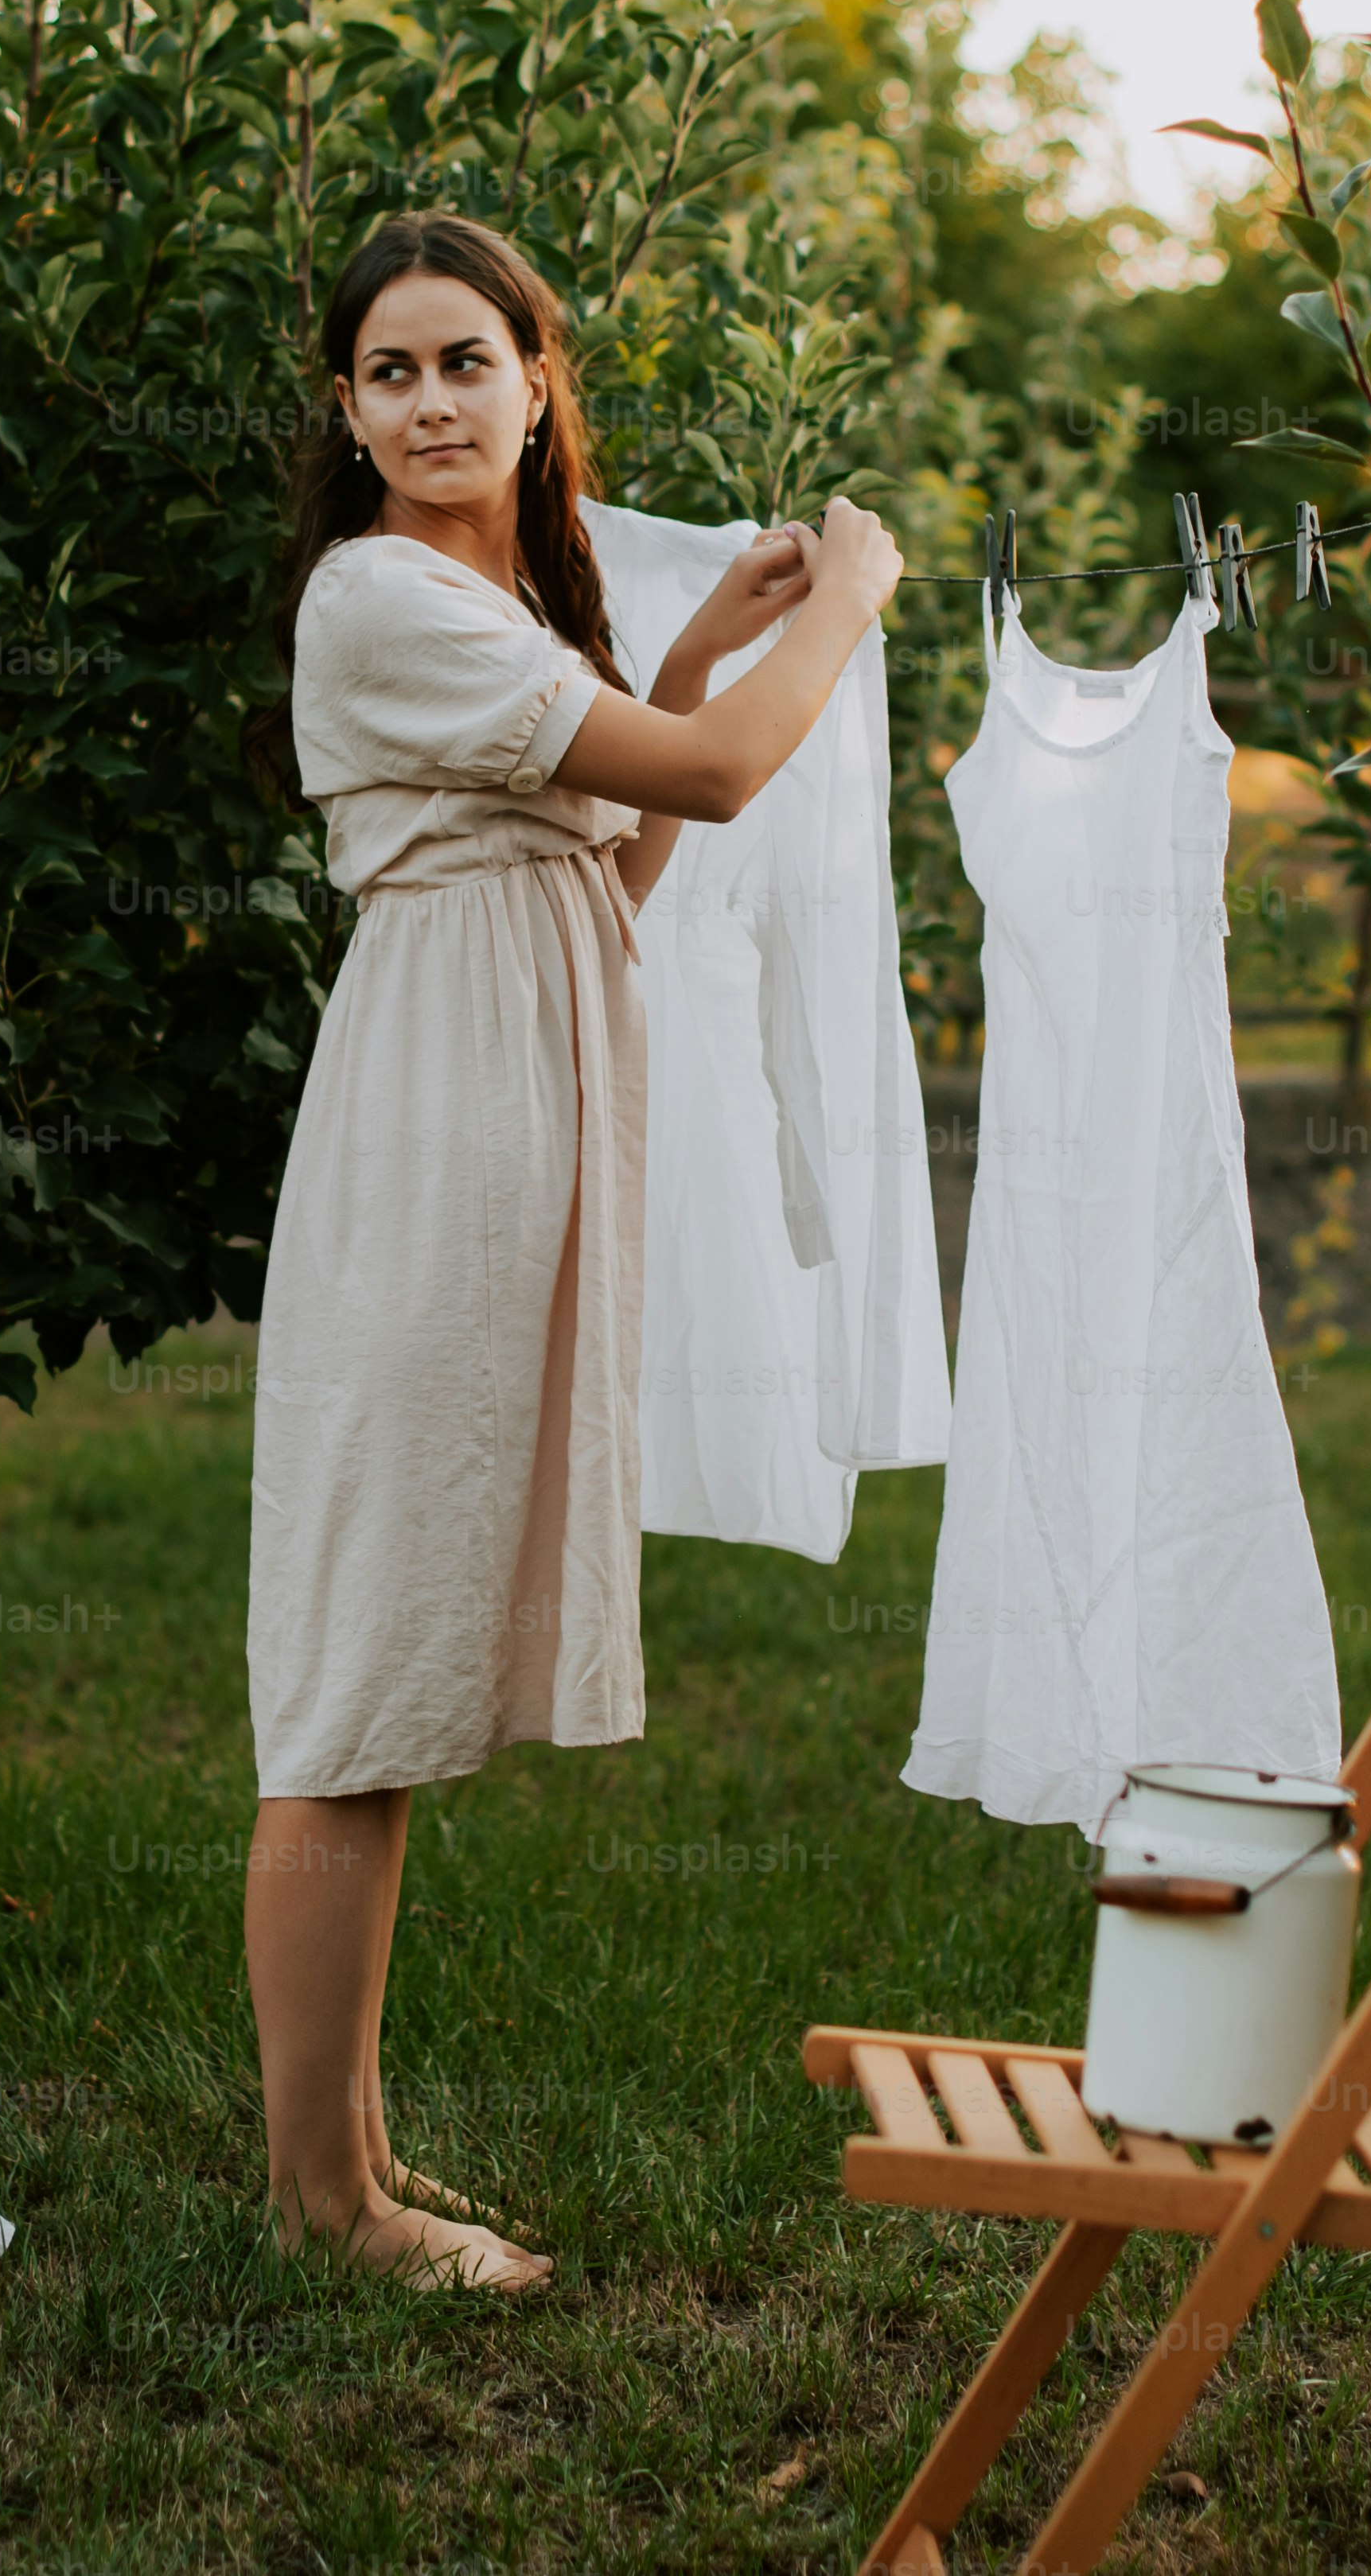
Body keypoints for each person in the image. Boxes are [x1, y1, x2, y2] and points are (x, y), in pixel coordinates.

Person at [240, 208, 906, 2294]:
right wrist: (854, 601)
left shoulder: (498, 610)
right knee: (361, 1680)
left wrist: (692, 653)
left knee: (409, 1656)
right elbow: (717, 778)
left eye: (468, 363)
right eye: (392, 373)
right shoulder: (375, 597)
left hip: (516, 1112)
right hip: (441, 1130)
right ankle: (325, 2206)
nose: (432, 403)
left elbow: (620, 865)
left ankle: (349, 2175)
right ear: (348, 417)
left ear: (539, 382)